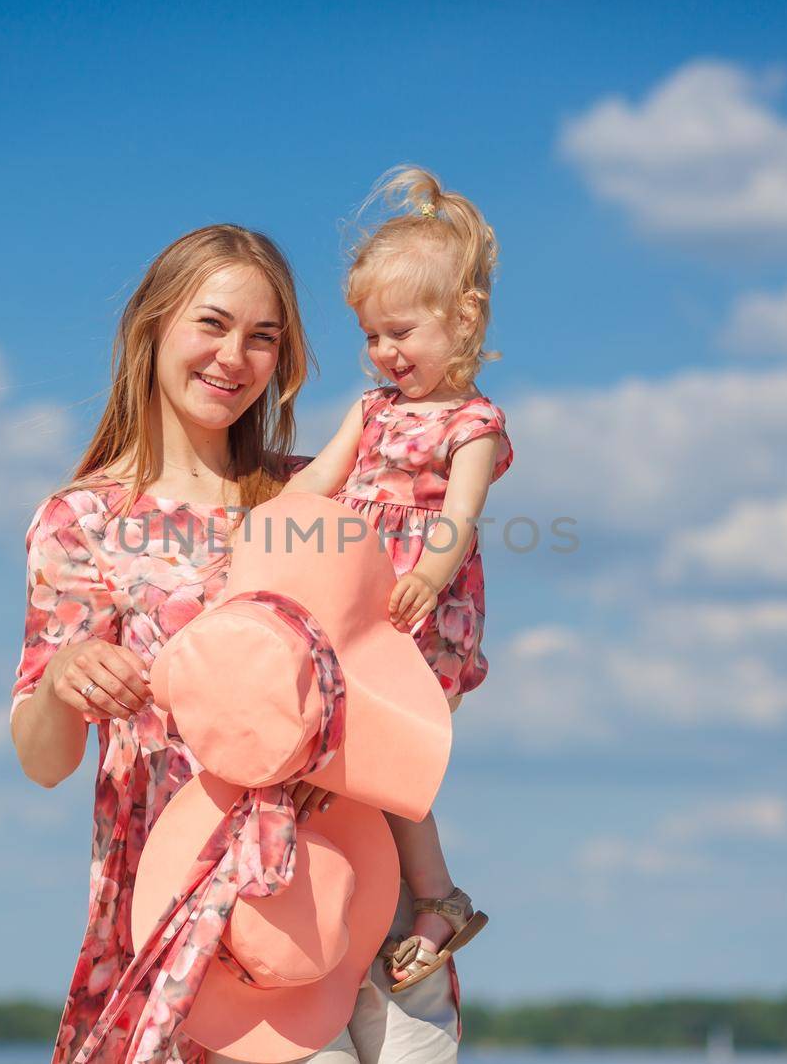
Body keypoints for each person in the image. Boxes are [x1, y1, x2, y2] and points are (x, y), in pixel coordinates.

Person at [9, 224, 461, 1064]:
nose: (234, 357)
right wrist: (66, 676)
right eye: (211, 324)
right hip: (191, 919)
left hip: (343, 893)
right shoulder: (83, 521)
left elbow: (411, 658)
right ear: (151, 326)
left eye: (264, 336)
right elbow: (42, 760)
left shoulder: (317, 492)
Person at [281, 165, 513, 994]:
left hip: (424, 613)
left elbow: (460, 516)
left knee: (391, 763)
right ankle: (422, 899)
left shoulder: (473, 423)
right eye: (373, 337)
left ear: (464, 320)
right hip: (359, 608)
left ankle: (434, 899)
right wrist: (260, 515)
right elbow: (323, 479)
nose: (385, 353)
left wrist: (430, 573)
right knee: (364, 762)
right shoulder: (373, 410)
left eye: (402, 333)